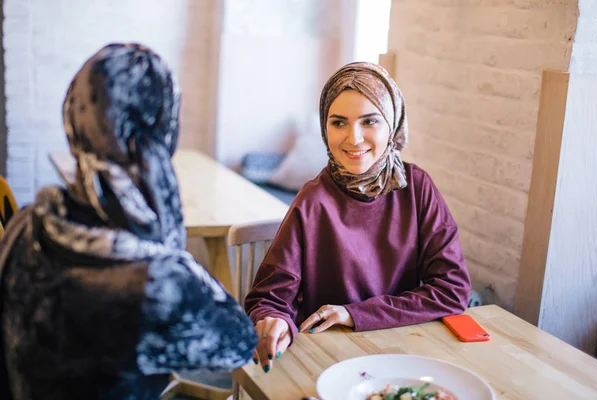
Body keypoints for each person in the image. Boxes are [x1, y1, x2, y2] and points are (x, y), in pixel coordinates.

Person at [0, 43, 257, 400]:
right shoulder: (158, 282)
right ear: (165, 130)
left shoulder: (23, 225)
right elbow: (240, 343)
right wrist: (170, 247)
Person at [245, 62, 471, 373]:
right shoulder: (313, 201)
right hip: (330, 361)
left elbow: (452, 289)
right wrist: (274, 321)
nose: (353, 138)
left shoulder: (417, 188)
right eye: (339, 123)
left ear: (392, 125)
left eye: (370, 121)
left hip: (404, 353)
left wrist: (354, 313)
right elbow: (269, 298)